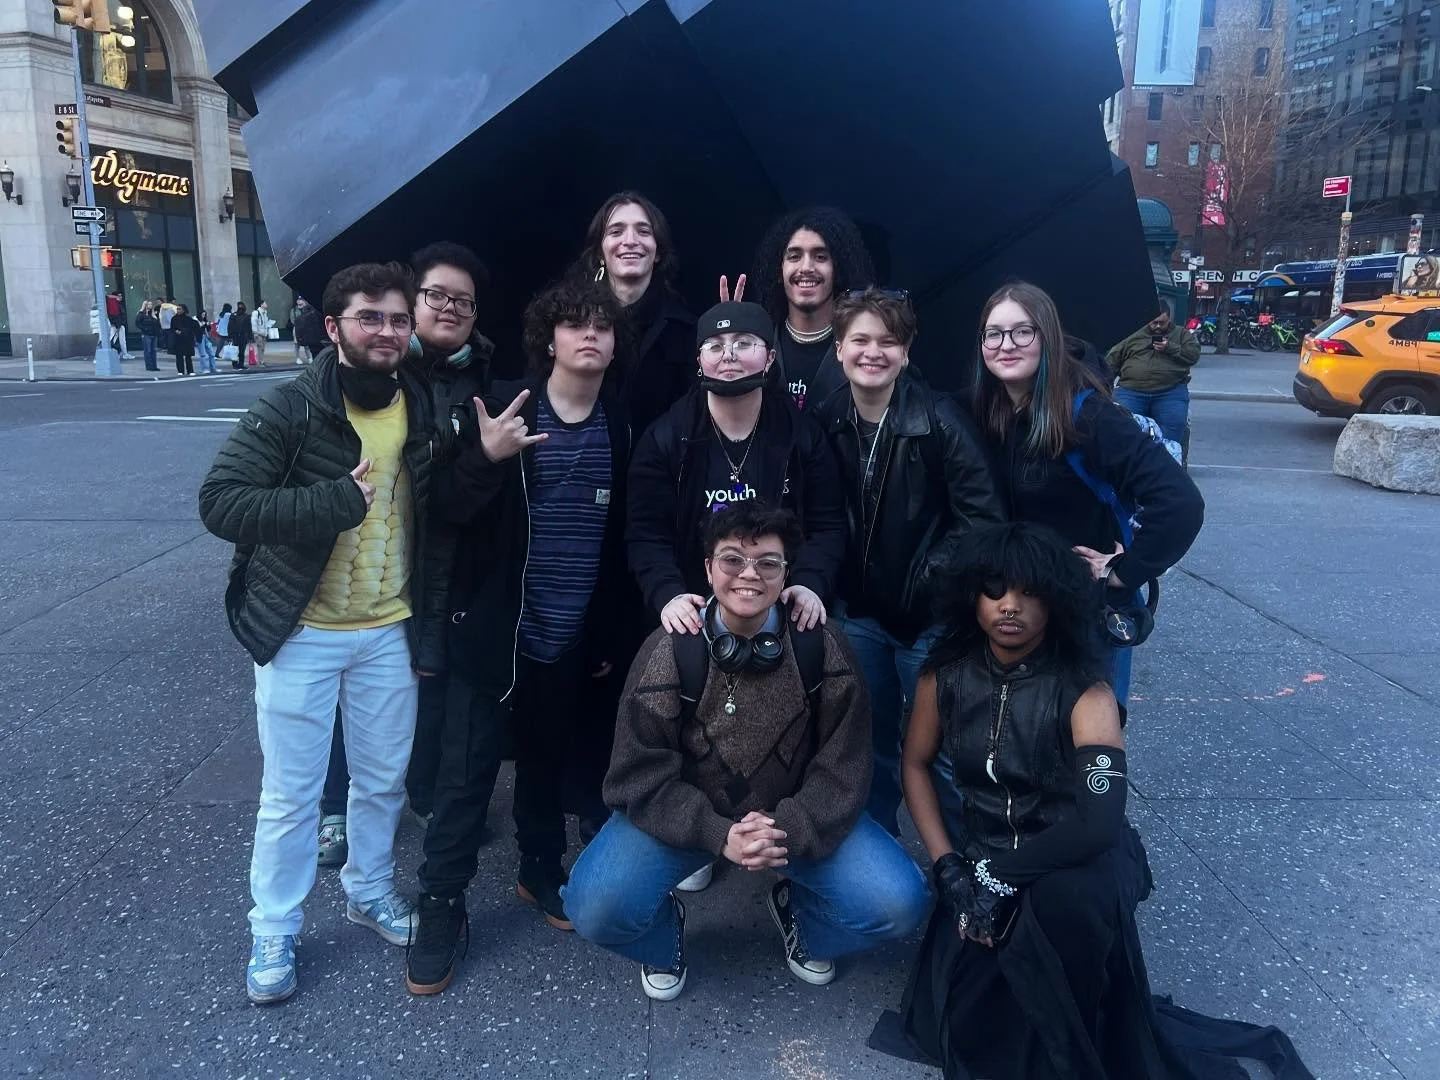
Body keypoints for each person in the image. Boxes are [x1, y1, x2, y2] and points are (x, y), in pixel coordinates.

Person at [880, 521, 1314, 1080]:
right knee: (969, 1013)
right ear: (972, 594)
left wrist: (995, 877)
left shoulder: (1087, 690)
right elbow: (914, 765)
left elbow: (1099, 823)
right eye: (996, 589)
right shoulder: (944, 677)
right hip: (985, 856)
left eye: (1030, 591)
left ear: (1057, 600)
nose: (1011, 605)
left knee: (1058, 927)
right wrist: (949, 869)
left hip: (1077, 863)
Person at [197, 262, 448, 1005]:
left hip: (387, 629)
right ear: (333, 328)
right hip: (301, 629)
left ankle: (369, 891)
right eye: (370, 317)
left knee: (380, 781)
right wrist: (331, 501)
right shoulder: (291, 408)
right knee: (292, 795)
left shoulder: (422, 402)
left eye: (399, 319)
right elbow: (221, 503)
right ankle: (273, 926)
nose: (387, 331)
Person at [565, 501, 930, 1002]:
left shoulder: (824, 647)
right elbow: (636, 776)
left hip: (790, 823)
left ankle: (802, 917)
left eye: (768, 562)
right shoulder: (666, 650)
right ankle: (663, 938)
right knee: (593, 907)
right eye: (732, 559)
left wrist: (788, 828)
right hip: (689, 824)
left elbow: (843, 768)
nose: (749, 575)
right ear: (708, 568)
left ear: (787, 575)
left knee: (900, 904)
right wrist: (718, 834)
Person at [405, 278, 635, 995]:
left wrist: (601, 635)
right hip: (495, 632)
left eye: (602, 326)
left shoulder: (619, 426)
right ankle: (441, 905)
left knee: (544, 760)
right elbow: (443, 506)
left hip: (566, 636)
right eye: (574, 325)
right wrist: (485, 456)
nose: (589, 336)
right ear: (550, 339)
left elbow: (619, 540)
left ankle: (540, 869)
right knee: (466, 776)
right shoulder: (505, 405)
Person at [317, 241, 494, 868]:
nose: (449, 309)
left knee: (416, 682)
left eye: (464, 302)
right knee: (354, 684)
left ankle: (413, 792)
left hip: (439, 555)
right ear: (412, 302)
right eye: (437, 296)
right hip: (371, 555)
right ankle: (335, 808)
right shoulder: (372, 367)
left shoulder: (483, 374)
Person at [814, 288, 1005, 836]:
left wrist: (926, 584)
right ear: (839, 348)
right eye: (860, 340)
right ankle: (878, 862)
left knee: (939, 751)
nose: (873, 352)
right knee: (866, 747)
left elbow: (984, 521)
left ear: (906, 350)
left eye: (888, 341)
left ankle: (960, 869)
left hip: (929, 620)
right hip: (860, 617)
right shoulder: (829, 419)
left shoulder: (941, 420)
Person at [972, 282, 1203, 706]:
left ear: (1049, 337)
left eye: (1023, 331)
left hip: (1081, 615)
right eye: (994, 333)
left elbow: (1181, 503)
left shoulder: (1089, 416)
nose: (1006, 344)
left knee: (1081, 751)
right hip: (1015, 611)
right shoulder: (990, 412)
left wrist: (1124, 571)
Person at [572, 190, 696, 437]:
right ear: (600, 253)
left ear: (657, 251)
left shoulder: (686, 331)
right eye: (616, 231)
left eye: (643, 231)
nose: (630, 241)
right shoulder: (569, 322)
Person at [743, 206, 876, 412]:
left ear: (837, 269)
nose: (806, 267)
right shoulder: (756, 343)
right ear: (779, 270)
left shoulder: (867, 349)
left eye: (820, 257)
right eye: (794, 256)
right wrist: (729, 341)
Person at [1105, 306, 1201, 453]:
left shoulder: (1181, 334)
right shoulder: (1131, 335)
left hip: (1170, 391)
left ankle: (1168, 462)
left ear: (1169, 318)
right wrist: (1103, 385)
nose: (1157, 327)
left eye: (1161, 323)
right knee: (1122, 427)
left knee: (1173, 427)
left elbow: (1193, 356)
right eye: (1154, 322)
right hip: (1132, 390)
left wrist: (1170, 347)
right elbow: (1112, 362)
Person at [293, 297, 328, 364]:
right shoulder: (298, 313)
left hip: (312, 339)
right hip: (318, 339)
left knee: (316, 355)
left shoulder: (302, 317)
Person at [170, 303, 199, 376]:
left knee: (188, 356)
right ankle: (180, 371)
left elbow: (193, 327)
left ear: (183, 310)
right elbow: (172, 328)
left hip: (187, 339)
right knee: (179, 356)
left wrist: (184, 332)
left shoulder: (188, 319)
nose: (178, 310)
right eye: (177, 309)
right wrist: (176, 331)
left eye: (179, 309)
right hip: (178, 339)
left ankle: (190, 370)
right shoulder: (174, 318)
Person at [107, 290, 132, 359]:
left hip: (119, 324)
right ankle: (118, 353)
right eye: (119, 296)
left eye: (121, 296)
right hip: (116, 325)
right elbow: (114, 315)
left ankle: (124, 353)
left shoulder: (117, 304)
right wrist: (117, 324)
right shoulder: (114, 304)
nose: (121, 297)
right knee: (114, 339)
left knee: (121, 340)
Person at [135, 301, 160, 372]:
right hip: (146, 334)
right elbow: (137, 322)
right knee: (148, 350)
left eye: (151, 304)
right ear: (145, 305)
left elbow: (157, 324)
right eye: (149, 304)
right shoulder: (141, 314)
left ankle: (154, 366)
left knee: (153, 351)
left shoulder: (152, 315)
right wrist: (145, 329)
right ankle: (149, 366)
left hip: (154, 334)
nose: (151, 305)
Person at [195, 308, 219, 374]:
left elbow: (208, 329)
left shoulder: (205, 320)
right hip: (199, 337)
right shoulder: (196, 320)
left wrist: (208, 325)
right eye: (203, 315)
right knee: (202, 354)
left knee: (211, 353)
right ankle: (204, 368)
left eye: (205, 315)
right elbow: (197, 329)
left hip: (206, 337)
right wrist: (204, 325)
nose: (204, 316)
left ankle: (213, 368)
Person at [230, 301, 253, 369]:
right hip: (237, 336)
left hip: (242, 336)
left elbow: (249, 327)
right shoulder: (234, 315)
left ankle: (239, 364)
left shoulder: (246, 316)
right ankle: (237, 364)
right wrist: (230, 335)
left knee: (240, 351)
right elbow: (230, 326)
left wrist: (250, 336)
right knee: (237, 351)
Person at [253, 300, 274, 365]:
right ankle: (260, 362)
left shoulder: (265, 312)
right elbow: (254, 323)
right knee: (260, 347)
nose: (266, 304)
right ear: (261, 305)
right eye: (265, 303)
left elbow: (265, 322)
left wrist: (269, 324)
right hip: (258, 333)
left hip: (264, 333)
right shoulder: (256, 312)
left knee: (262, 348)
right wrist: (255, 333)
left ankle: (262, 360)